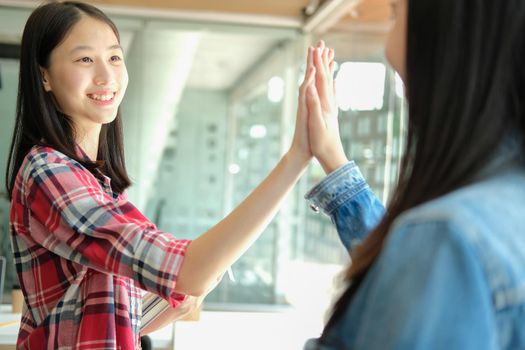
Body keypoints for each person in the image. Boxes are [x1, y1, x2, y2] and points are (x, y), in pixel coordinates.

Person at [4, 1, 332, 348]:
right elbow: (191, 272)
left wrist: (183, 288)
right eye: (85, 59)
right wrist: (297, 156)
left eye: (115, 57)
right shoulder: (49, 172)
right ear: (44, 75)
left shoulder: (102, 185)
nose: (106, 75)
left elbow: (106, 313)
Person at [302, 0, 525, 349]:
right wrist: (333, 159)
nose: (388, 50)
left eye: (395, 14)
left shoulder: (449, 238)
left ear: (448, 36)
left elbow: (432, 256)